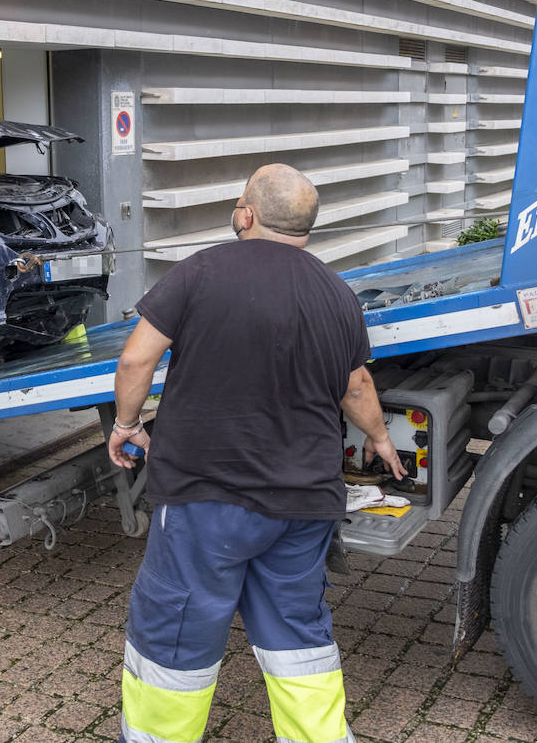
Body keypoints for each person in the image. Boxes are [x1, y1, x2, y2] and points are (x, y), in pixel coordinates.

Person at [108, 163, 406, 743]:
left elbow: (135, 361)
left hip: (204, 496)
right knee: (298, 632)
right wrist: (378, 437)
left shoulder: (200, 272)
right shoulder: (336, 292)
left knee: (179, 627)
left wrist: (126, 424)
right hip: (303, 504)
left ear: (246, 214)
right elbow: (357, 387)